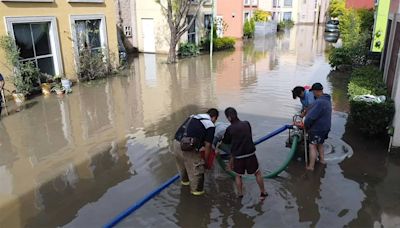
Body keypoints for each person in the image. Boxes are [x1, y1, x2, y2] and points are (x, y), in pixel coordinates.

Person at [222, 107, 267, 200]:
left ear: (229, 118)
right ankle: (263, 192)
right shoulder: (246, 124)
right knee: (257, 173)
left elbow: (226, 141)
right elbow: (248, 135)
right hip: (250, 154)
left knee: (238, 175)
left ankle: (240, 194)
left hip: (238, 156)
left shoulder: (229, 129)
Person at [173, 108, 218, 196]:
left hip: (176, 144)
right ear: (214, 118)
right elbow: (208, 145)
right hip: (188, 147)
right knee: (198, 176)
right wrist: (204, 160)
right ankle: (197, 199)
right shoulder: (210, 125)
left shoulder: (192, 117)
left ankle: (185, 189)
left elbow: (190, 132)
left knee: (184, 173)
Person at [304, 83, 332, 171]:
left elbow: (310, 117)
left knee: (312, 145)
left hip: (318, 129)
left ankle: (311, 167)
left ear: (316, 91)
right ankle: (322, 160)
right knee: (320, 143)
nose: (313, 94)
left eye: (313, 92)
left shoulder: (319, 102)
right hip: (326, 127)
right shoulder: (327, 100)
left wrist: (306, 125)